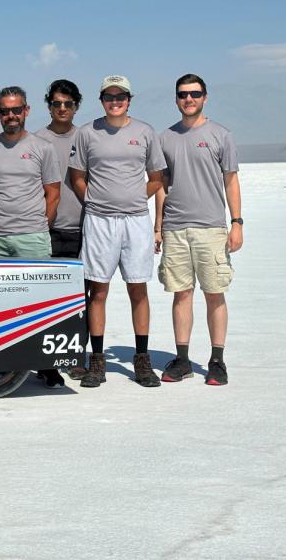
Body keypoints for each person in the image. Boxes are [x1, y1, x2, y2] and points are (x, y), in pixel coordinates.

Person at [69, 75, 165, 389]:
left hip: (135, 220)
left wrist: (136, 198)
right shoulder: (87, 133)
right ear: (101, 100)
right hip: (99, 221)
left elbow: (155, 177)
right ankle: (96, 361)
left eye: (120, 96)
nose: (115, 101)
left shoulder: (145, 132)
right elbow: (77, 177)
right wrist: (96, 202)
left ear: (129, 99)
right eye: (109, 96)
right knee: (98, 290)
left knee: (138, 288)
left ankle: (142, 360)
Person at [154, 73, 243, 386]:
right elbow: (162, 186)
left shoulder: (221, 134)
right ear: (176, 98)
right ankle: (182, 359)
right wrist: (158, 226)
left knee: (214, 293)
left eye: (194, 94)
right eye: (182, 94)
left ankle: (217, 360)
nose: (188, 99)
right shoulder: (165, 138)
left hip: (211, 228)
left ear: (205, 97)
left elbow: (230, 180)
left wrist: (237, 222)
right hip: (176, 228)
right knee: (181, 293)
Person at [34, 79, 85, 387]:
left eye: (68, 103)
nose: (62, 108)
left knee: (81, 299)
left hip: (84, 227)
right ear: (49, 106)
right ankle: (46, 363)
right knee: (47, 301)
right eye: (56, 104)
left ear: (76, 105)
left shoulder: (88, 137)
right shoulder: (38, 140)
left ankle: (77, 357)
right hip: (47, 229)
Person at [0, 86, 61, 259]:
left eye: (16, 110)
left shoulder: (44, 148)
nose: (11, 115)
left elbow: (54, 194)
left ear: (26, 110)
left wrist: (39, 225)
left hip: (33, 237)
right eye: (5, 111)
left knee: (36, 287)